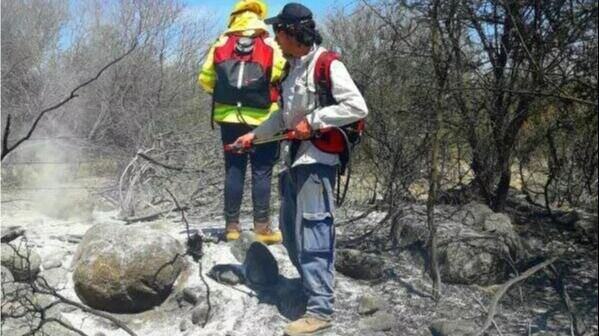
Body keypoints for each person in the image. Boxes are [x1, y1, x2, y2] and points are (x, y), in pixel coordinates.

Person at [232, 3, 368, 335]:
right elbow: (283, 117)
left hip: (317, 163)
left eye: (278, 32)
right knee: (291, 232)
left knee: (314, 233)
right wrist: (254, 135)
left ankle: (321, 310)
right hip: (294, 161)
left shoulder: (327, 65)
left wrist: (315, 120)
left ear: (294, 33)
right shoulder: (291, 69)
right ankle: (309, 290)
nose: (275, 38)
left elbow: (356, 106)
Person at [198, 0, 286, 244]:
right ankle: (262, 228)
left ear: (235, 16)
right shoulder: (269, 43)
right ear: (259, 15)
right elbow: (280, 73)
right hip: (264, 119)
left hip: (229, 119)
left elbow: (204, 79)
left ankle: (232, 228)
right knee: (262, 171)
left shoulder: (221, 43)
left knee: (234, 170)